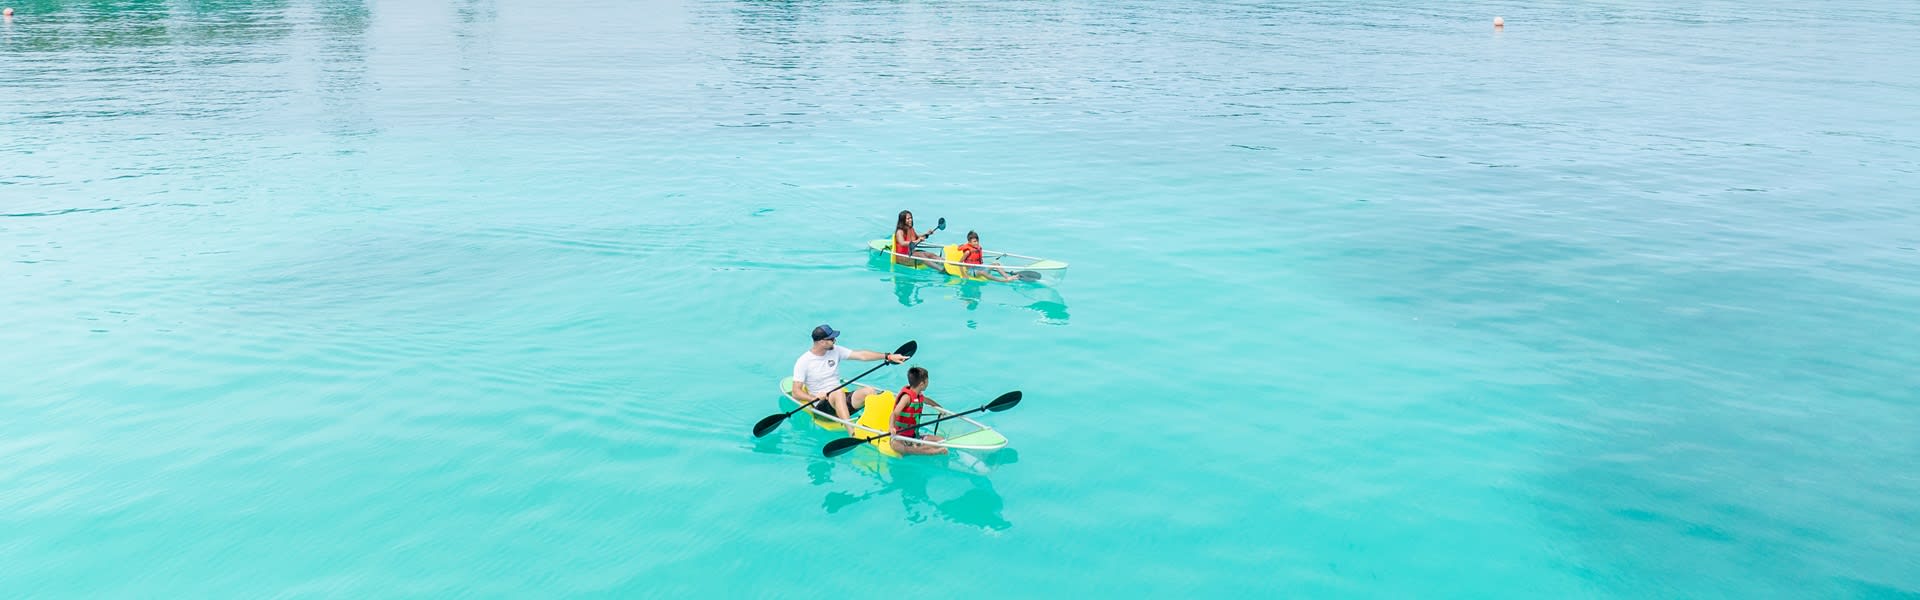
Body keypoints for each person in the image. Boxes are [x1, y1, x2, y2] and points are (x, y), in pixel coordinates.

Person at [790, 324, 908, 425]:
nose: (834, 341)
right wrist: (813, 398)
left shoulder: (835, 350)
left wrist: (888, 356)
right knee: (838, 393)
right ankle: (852, 432)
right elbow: (796, 392)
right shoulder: (804, 361)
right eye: (831, 339)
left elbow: (862, 355)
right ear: (821, 342)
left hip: (840, 399)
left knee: (869, 391)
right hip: (823, 406)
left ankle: (876, 424)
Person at [890, 366, 947, 455]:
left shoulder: (918, 396)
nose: (928, 383)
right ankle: (930, 451)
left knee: (941, 440)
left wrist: (940, 408)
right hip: (900, 438)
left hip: (914, 436)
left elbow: (927, 401)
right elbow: (894, 413)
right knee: (898, 447)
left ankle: (924, 448)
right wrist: (891, 427)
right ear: (922, 384)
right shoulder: (906, 398)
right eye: (927, 381)